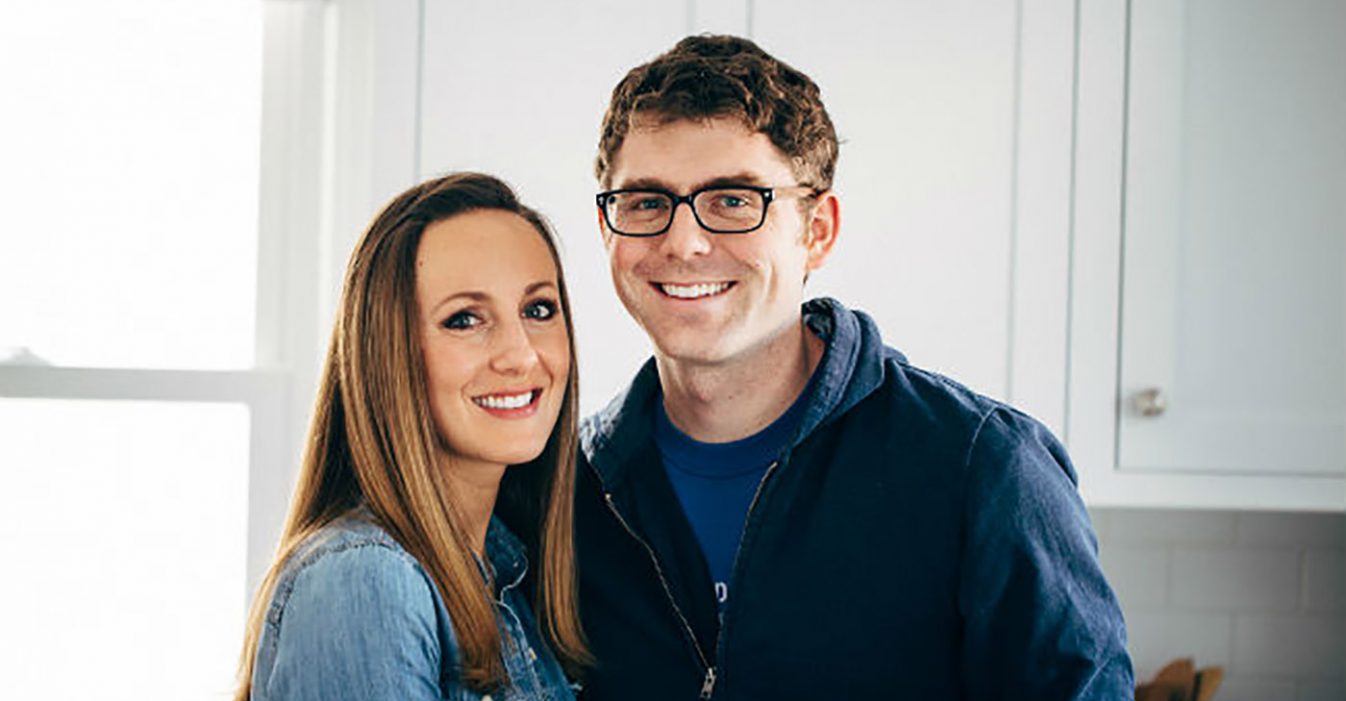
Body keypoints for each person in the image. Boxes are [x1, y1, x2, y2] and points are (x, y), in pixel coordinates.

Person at [573, 35, 1134, 699]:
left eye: (733, 200)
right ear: (608, 229)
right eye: (645, 202)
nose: (684, 241)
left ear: (817, 231)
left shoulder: (985, 468)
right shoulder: (571, 491)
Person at [234, 173, 589, 700]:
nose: (521, 355)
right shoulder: (364, 578)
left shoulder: (506, 570)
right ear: (388, 353)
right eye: (464, 320)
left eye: (538, 309)